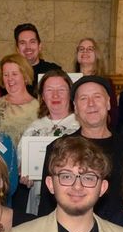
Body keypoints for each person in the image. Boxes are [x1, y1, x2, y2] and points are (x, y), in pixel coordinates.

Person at [36, 76, 123, 219]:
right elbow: (46, 205)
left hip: (120, 231)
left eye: (97, 97)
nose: (91, 104)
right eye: (84, 99)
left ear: (108, 103)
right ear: (75, 108)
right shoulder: (58, 148)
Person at [16, 69, 79, 217]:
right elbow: (22, 163)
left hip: (73, 194)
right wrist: (24, 171)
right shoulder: (33, 128)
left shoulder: (80, 126)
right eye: (49, 90)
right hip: (39, 197)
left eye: (61, 90)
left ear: (70, 93)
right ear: (42, 96)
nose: (55, 95)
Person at [0, 53, 39, 146]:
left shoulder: (40, 107)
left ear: (25, 76)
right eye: (6, 75)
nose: (10, 79)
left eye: (14, 74)